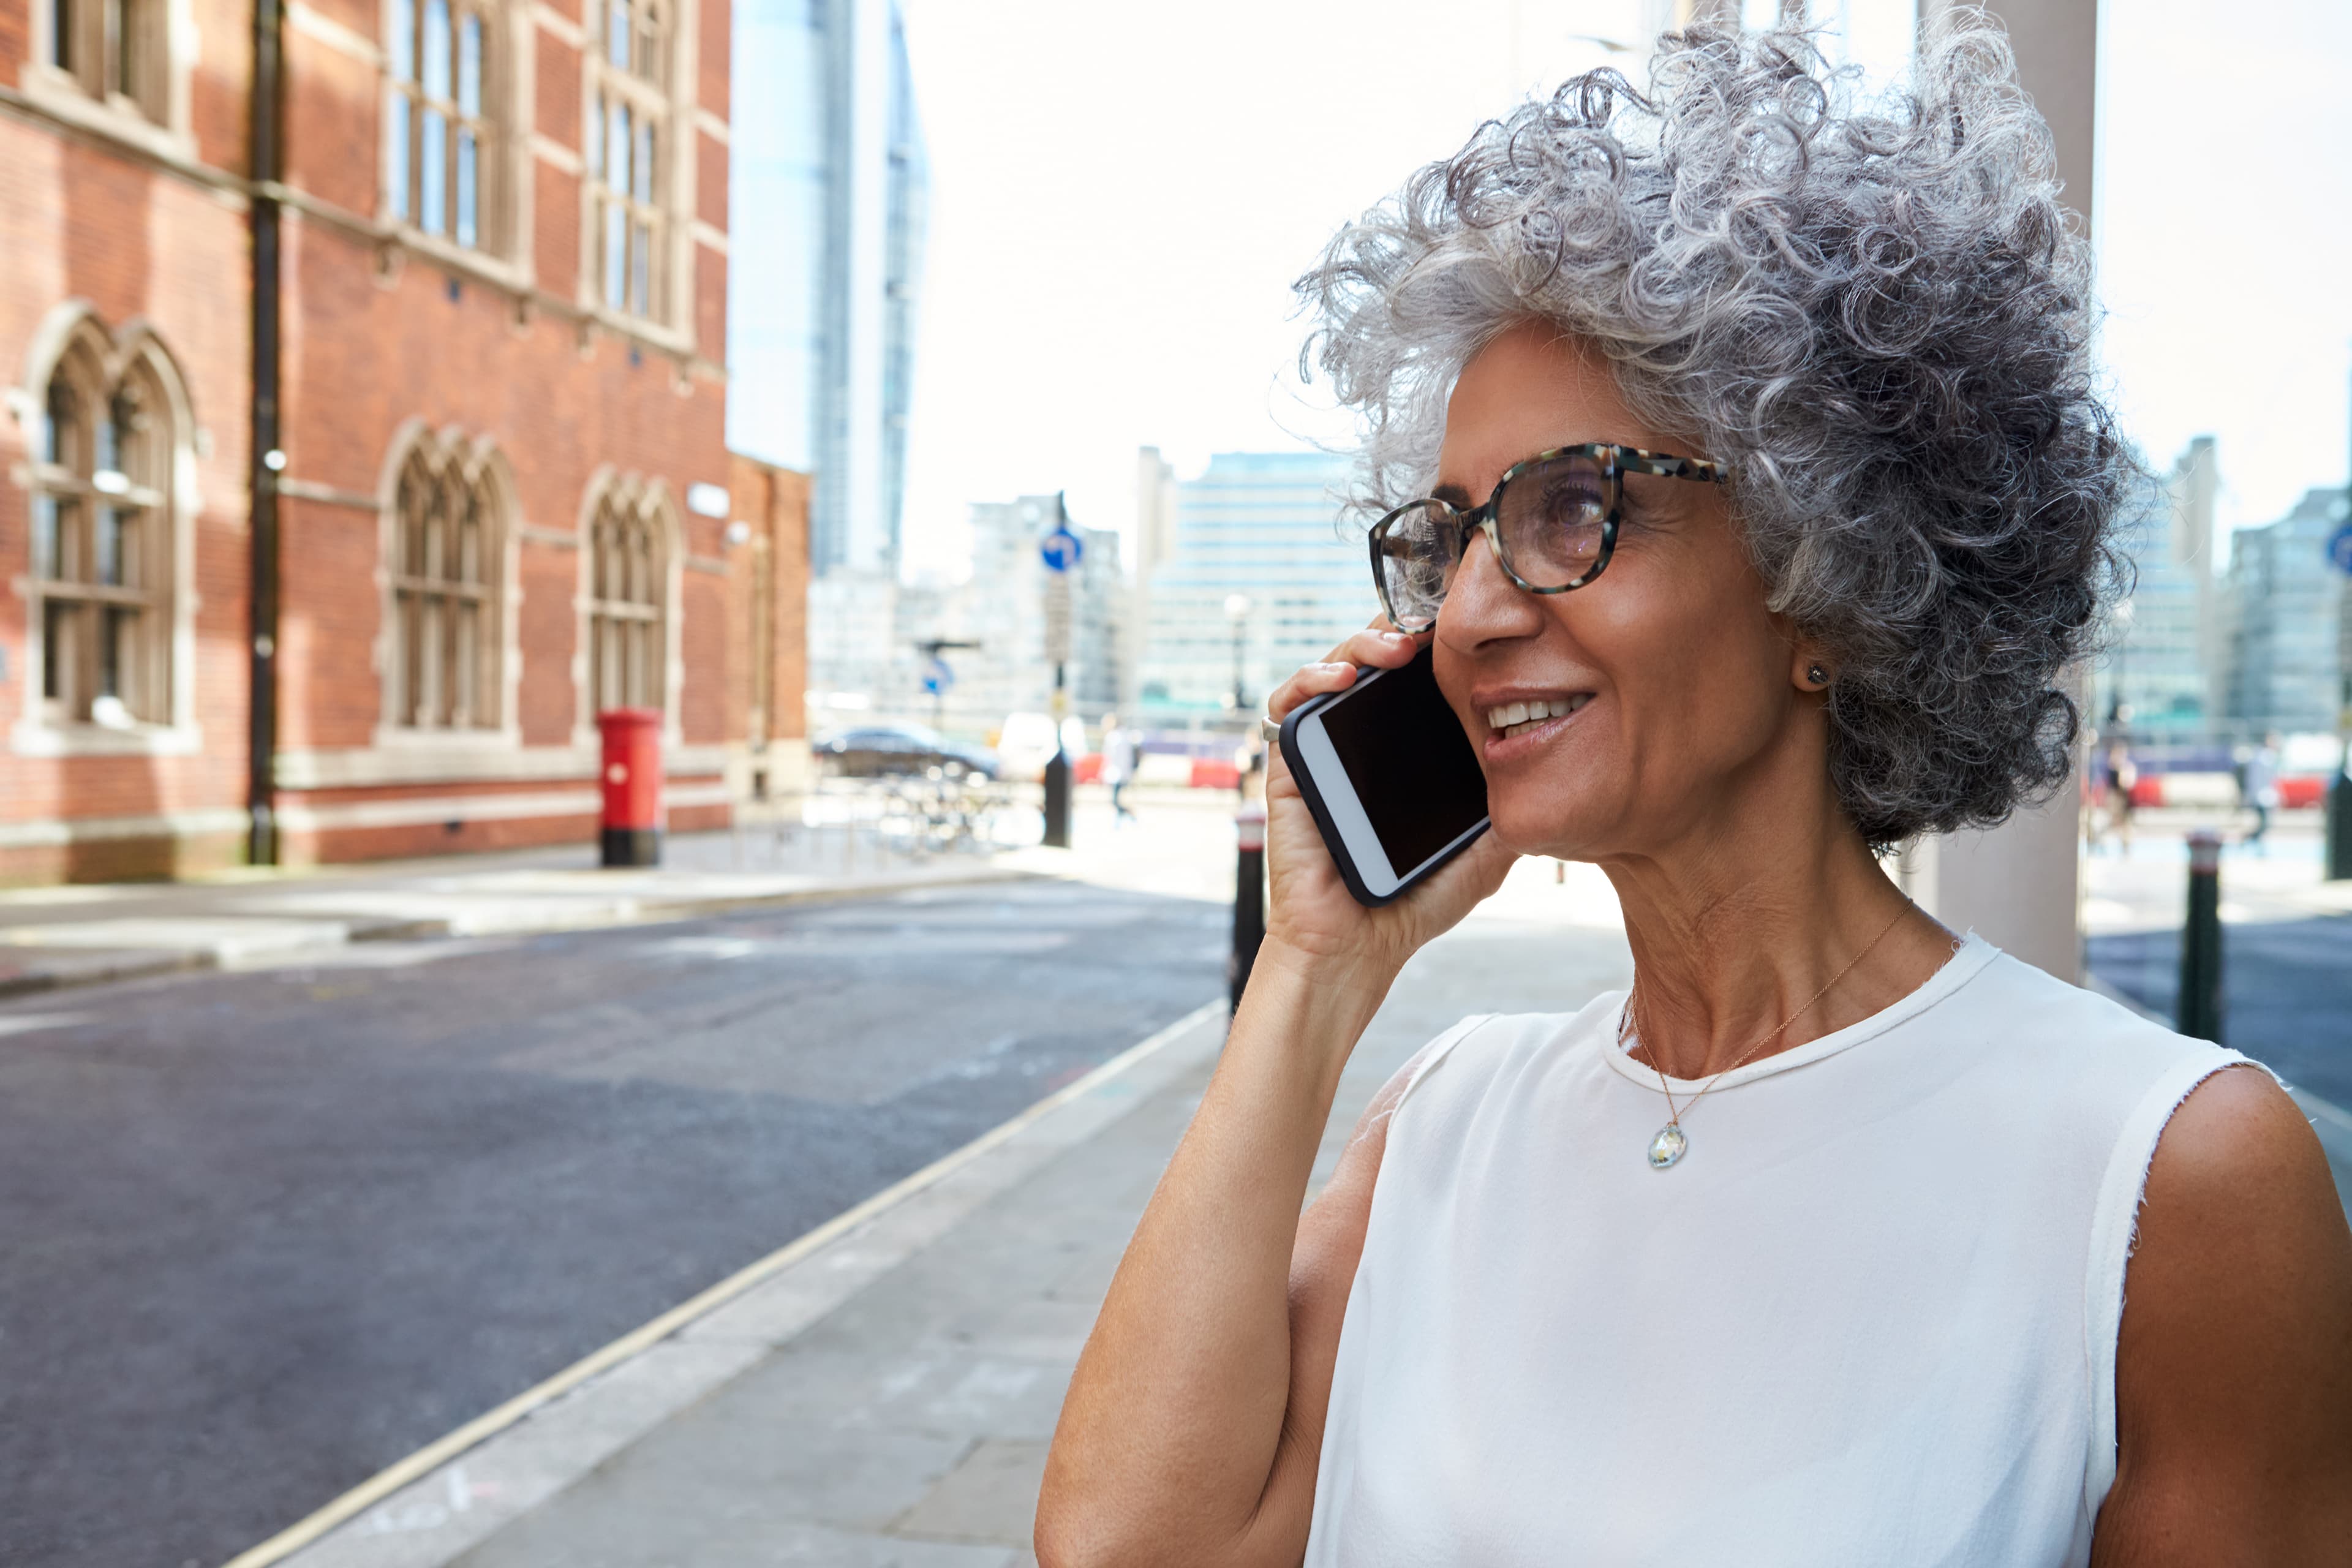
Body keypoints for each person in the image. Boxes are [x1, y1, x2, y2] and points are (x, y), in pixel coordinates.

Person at [1037, 20, 2352, 1567]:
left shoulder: (2171, 1180)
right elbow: (1130, 1544)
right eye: (1448, 533)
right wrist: (1319, 972)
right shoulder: (1444, 1120)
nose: (1465, 612)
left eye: (1571, 509)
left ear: (1831, 568)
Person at [2244, 732, 2282, 851]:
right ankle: (2250, 840)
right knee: (2264, 823)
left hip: (2264, 795)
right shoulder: (2264, 758)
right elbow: (2262, 780)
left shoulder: (2261, 757)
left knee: (2264, 824)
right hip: (2262, 796)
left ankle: (2253, 841)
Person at [1100, 713, 1140, 823]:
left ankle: (1127, 814)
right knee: (1116, 800)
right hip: (1123, 773)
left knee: (1114, 800)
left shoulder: (1113, 738)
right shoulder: (1126, 736)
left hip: (1116, 774)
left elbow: (1109, 758)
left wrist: (1103, 773)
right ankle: (1121, 818)